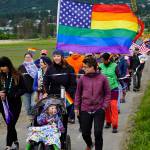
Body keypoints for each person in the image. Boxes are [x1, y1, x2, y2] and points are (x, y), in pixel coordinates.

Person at [75, 56, 111, 150]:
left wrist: (104, 106)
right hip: (85, 109)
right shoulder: (82, 79)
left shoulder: (103, 78)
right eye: (83, 67)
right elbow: (78, 94)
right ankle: (90, 144)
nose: (83, 69)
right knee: (85, 133)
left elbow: (107, 93)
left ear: (92, 67)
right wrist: (76, 107)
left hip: (99, 108)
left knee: (98, 133)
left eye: (85, 67)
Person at [43, 50, 76, 149]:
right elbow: (46, 81)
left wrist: (67, 93)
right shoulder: (50, 69)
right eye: (54, 56)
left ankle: (62, 141)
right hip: (53, 98)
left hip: (65, 98)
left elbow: (73, 84)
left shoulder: (69, 68)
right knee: (52, 119)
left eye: (58, 56)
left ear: (62, 57)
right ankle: (51, 140)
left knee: (63, 120)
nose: (56, 58)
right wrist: (47, 92)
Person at [0, 56, 26, 150]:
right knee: (10, 124)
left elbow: (24, 89)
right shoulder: (0, 76)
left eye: (4, 66)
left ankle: (8, 145)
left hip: (15, 104)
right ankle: (15, 141)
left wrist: (14, 94)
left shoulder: (17, 75)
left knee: (11, 124)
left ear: (8, 65)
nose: (2, 68)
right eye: (0, 66)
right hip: (3, 105)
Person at [99, 53, 119, 133]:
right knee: (106, 106)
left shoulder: (114, 65)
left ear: (107, 59)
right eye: (102, 60)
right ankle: (108, 121)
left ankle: (114, 125)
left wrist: (122, 79)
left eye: (103, 60)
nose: (102, 61)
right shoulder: (100, 66)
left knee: (113, 106)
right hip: (104, 90)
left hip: (113, 88)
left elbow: (119, 75)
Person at [18, 52, 38, 124]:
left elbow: (39, 78)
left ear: (32, 58)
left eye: (29, 57)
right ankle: (31, 122)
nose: (27, 58)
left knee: (33, 105)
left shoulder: (36, 66)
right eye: (26, 57)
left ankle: (35, 120)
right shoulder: (21, 67)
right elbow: (18, 78)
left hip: (34, 90)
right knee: (27, 107)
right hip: (24, 91)